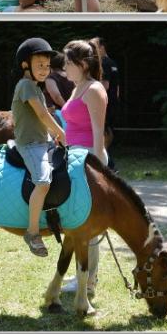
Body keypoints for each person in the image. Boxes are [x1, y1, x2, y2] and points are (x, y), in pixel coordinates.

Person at [61, 39, 108, 296]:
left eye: (68, 63)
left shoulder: (93, 89)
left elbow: (98, 131)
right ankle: (83, 273)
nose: (64, 68)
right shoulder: (77, 87)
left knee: (87, 223)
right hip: (73, 158)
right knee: (75, 220)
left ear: (82, 64)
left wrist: (97, 165)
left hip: (89, 159)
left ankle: (89, 280)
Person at [12, 38, 65, 257]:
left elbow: (43, 116)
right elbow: (42, 115)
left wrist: (53, 136)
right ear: (26, 65)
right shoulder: (25, 85)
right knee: (43, 181)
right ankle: (32, 231)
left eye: (47, 66)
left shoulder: (35, 87)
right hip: (30, 145)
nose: (44, 70)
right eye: (39, 65)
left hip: (42, 142)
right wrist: (60, 133)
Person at [93, 36, 120, 171]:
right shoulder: (113, 63)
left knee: (102, 135)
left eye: (94, 46)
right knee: (107, 133)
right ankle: (107, 163)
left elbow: (105, 85)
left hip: (104, 105)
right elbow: (117, 88)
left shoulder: (102, 62)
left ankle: (108, 165)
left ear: (101, 47)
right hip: (113, 104)